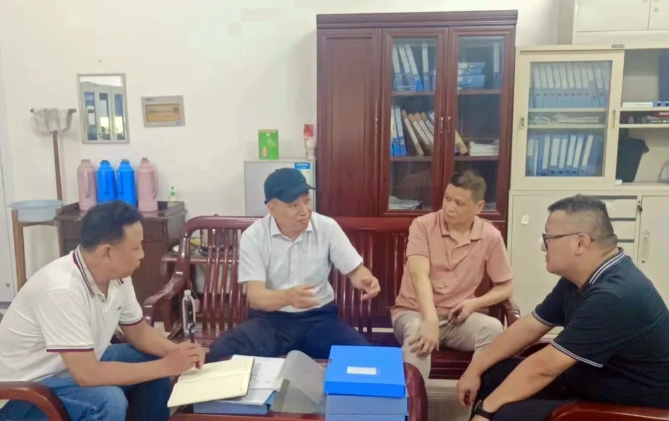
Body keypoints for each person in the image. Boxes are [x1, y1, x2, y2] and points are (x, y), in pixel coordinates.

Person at [457, 195, 669, 421]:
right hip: (585, 380)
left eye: (548, 238)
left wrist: (486, 410)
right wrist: (475, 368)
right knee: (492, 375)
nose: (543, 246)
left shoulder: (614, 296)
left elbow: (545, 367)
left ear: (580, 243)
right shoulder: (579, 278)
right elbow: (530, 326)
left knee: (504, 415)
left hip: (624, 405)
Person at [0, 201, 206, 421]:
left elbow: (138, 331)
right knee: (108, 400)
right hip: (24, 394)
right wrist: (165, 367)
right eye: (136, 247)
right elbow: (88, 375)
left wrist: (176, 352)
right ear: (107, 253)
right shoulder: (62, 288)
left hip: (71, 369)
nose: (142, 255)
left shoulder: (117, 277)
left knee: (152, 356)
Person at [207, 168, 381, 361]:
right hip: (270, 321)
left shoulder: (327, 227)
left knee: (366, 357)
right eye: (294, 205)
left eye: (307, 201)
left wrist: (365, 279)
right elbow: (256, 297)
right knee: (220, 352)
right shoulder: (254, 236)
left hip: (319, 320)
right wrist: (288, 297)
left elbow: (355, 270)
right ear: (272, 209)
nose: (304, 211)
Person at [392, 169, 513, 380]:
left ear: (479, 207)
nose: (449, 207)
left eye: (459, 203)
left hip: (456, 319)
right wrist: (430, 320)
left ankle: (474, 388)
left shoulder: (490, 236)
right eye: (447, 199)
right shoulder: (423, 225)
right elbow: (419, 275)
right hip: (414, 312)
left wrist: (475, 303)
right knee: (417, 337)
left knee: (494, 330)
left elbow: (506, 287)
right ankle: (413, 400)